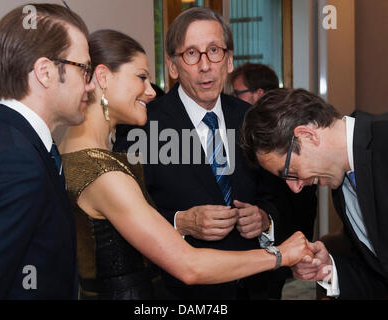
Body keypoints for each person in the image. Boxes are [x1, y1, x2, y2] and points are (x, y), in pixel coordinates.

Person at [59, 29, 312, 300]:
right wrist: (281, 255)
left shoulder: (74, 150)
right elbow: (189, 266)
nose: (150, 91)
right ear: (103, 77)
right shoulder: (104, 170)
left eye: (215, 51)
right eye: (142, 77)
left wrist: (265, 219)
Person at [114, 7, 281, 300]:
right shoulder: (142, 125)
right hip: (183, 293)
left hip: (257, 286)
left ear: (228, 61)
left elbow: (278, 194)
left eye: (214, 51)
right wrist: (182, 221)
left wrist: (265, 219)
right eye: (191, 53)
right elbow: (123, 216)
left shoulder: (251, 118)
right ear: (173, 66)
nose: (205, 66)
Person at [0, 4, 94, 299]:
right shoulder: (15, 162)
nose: (90, 85)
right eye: (84, 69)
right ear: (45, 72)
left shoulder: (0, 140)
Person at [241, 87, 388, 299]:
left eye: (290, 172)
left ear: (307, 136)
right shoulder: (342, 190)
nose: (295, 187)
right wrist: (330, 270)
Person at [230, 63, 318, 299]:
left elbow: (295, 206)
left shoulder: (280, 138)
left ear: (258, 94)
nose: (233, 100)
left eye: (237, 93)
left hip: (280, 252)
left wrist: (265, 220)